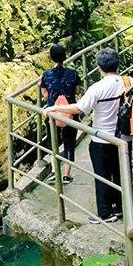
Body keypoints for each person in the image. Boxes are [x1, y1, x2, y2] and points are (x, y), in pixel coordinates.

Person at [47, 47, 133, 224]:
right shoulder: (132, 82)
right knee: (121, 173)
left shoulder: (97, 88)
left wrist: (54, 107)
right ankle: (121, 208)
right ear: (117, 63)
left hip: (102, 138)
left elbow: (79, 108)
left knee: (102, 175)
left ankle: (105, 213)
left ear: (99, 67)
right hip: (124, 138)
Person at [39, 44, 82, 184]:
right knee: (69, 143)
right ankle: (66, 175)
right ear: (65, 57)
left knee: (54, 143)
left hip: (53, 114)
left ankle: (53, 172)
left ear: (51, 57)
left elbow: (45, 95)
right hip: (70, 113)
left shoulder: (46, 75)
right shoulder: (73, 73)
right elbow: (77, 91)